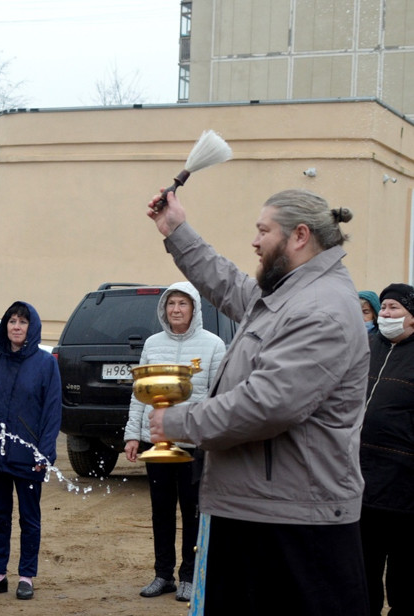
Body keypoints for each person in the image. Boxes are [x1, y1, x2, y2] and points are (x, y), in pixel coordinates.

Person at [145, 188, 369, 616]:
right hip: (262, 510)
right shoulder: (288, 296)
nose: (254, 241)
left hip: (293, 528)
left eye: (263, 231)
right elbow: (228, 283)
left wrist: (177, 421)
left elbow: (268, 404)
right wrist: (176, 230)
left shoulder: (320, 309)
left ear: (300, 235)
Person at [123, 282, 225, 602]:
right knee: (161, 510)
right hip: (157, 441)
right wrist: (133, 435)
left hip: (194, 445)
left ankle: (190, 576)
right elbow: (139, 395)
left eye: (183, 303)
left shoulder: (213, 345)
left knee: (192, 511)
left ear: (194, 309)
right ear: (163, 309)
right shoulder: (152, 344)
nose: (176, 309)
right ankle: (163, 574)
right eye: (171, 304)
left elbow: (219, 396)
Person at [0, 301, 61, 601]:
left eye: (23, 321)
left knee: (29, 518)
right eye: (12, 321)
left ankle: (26, 576)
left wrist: (44, 452)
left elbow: (52, 411)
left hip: (29, 455)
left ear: (32, 327)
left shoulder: (45, 363)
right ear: (5, 326)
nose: (17, 327)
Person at [359, 283, 414, 616]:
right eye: (384, 307)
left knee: (404, 577)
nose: (386, 314)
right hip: (363, 481)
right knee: (362, 571)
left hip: (404, 486)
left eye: (395, 308)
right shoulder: (368, 347)